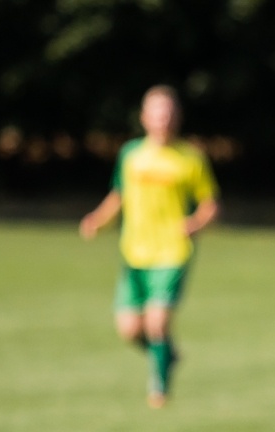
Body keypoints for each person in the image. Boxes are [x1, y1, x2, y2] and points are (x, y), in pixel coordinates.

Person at [80, 85, 218, 408]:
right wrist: (98, 220)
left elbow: (211, 205)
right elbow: (119, 196)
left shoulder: (191, 158)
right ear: (144, 118)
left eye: (169, 113)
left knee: (157, 322)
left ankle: (159, 388)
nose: (163, 119)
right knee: (129, 330)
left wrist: (195, 223)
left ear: (178, 118)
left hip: (172, 251)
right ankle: (168, 355)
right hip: (134, 251)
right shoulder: (130, 154)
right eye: (157, 113)